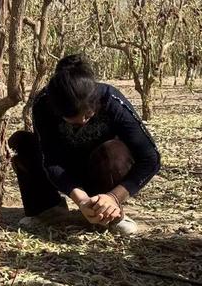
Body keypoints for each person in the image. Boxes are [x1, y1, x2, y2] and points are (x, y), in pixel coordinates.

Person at [9, 54, 160, 236]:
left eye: (88, 116)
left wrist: (113, 197)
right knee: (23, 141)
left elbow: (150, 158)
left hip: (101, 169)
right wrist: (81, 200)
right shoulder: (43, 104)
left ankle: (110, 213)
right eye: (72, 120)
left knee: (113, 151)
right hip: (66, 167)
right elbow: (51, 160)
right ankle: (48, 210)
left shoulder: (111, 101)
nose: (82, 122)